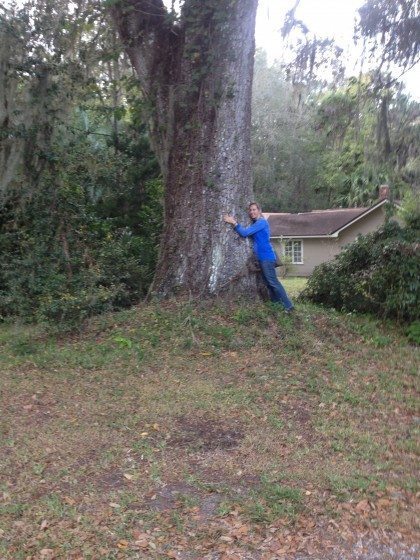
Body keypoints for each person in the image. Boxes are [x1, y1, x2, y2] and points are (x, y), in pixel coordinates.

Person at [223, 202, 294, 312]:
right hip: (262, 258)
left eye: (254, 209)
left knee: (273, 282)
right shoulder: (257, 223)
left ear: (259, 210)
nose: (252, 212)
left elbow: (245, 233)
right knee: (268, 283)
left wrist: (234, 222)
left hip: (267, 258)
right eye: (250, 210)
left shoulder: (261, 223)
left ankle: (289, 306)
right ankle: (276, 304)